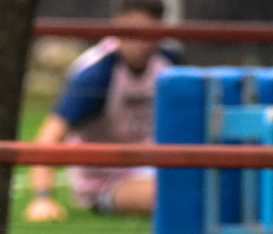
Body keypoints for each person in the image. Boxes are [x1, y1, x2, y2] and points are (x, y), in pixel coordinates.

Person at [25, 0, 177, 222]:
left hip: (152, 167)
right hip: (105, 181)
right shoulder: (96, 75)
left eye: (152, 32)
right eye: (135, 32)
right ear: (117, 27)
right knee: (174, 195)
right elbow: (50, 136)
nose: (144, 42)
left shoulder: (167, 64)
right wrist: (42, 199)